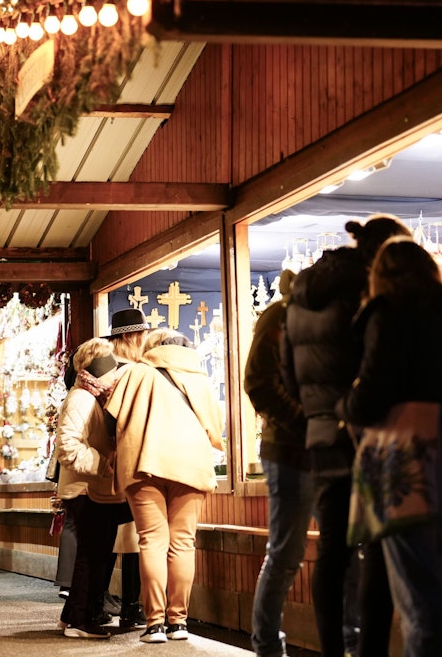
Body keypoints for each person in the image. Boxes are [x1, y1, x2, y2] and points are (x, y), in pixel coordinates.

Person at [282, 216, 409, 657]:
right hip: (365, 432)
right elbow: (377, 363)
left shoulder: (300, 296)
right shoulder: (366, 292)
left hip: (320, 436)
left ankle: (331, 651)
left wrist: (317, 415)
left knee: (333, 548)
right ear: (381, 251)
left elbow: (288, 376)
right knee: (374, 547)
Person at [337, 238, 442, 657]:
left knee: (418, 601)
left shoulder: (387, 317)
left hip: (401, 468)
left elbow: (373, 393)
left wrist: (344, 404)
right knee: (432, 589)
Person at [107, 328, 224, 643]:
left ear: (152, 346)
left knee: (153, 542)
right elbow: (216, 430)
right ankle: (179, 623)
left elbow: (112, 419)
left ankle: (155, 624)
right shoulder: (200, 378)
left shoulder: (137, 374)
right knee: (183, 543)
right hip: (190, 463)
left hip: (146, 462)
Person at [246, 270, 313, 657]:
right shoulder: (279, 318)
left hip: (329, 448)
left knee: (349, 550)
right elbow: (258, 383)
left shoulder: (336, 317)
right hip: (288, 450)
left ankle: (350, 641)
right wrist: (305, 421)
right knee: (286, 552)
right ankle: (268, 646)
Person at [56, 338, 130, 639]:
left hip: (93, 488)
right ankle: (79, 622)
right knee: (92, 555)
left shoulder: (90, 395)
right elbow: (67, 447)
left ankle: (75, 615)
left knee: (96, 553)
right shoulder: (82, 399)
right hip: (86, 489)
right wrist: (104, 464)